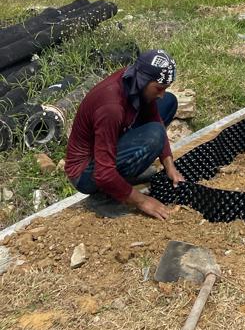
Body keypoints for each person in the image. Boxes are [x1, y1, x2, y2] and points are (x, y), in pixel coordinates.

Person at [65, 49, 185, 219]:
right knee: (155, 135)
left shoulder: (135, 80)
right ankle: (102, 198)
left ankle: (126, 170)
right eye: (159, 88)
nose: (161, 94)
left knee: (168, 102)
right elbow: (103, 173)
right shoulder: (111, 107)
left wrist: (169, 166)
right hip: (85, 173)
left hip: (112, 140)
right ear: (144, 80)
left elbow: (154, 117)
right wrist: (142, 201)